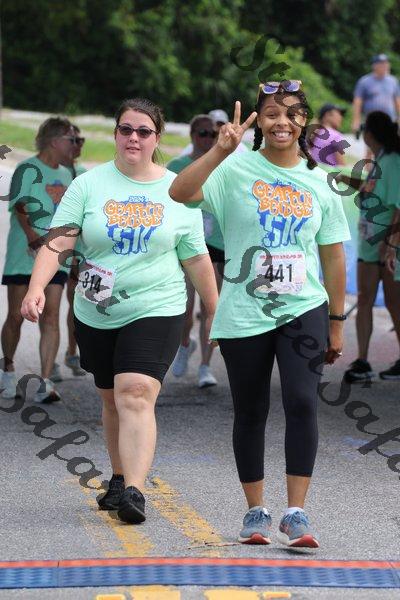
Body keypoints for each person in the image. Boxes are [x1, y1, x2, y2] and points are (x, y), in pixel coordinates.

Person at [170, 80, 350, 548]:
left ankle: (296, 514)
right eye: (271, 113)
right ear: (258, 121)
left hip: (303, 308)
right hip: (245, 310)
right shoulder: (234, 169)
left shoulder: (320, 180)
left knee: (303, 401)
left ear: (304, 121)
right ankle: (256, 511)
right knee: (251, 410)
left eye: (291, 113)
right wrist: (219, 150)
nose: (281, 122)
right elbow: (179, 191)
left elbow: (333, 256)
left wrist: (336, 321)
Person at [20, 98, 218, 525]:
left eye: (144, 131)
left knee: (136, 391)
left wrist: (215, 309)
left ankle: (134, 490)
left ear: (157, 139)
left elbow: (196, 258)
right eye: (126, 129)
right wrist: (36, 288)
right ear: (115, 134)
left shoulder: (177, 189)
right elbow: (59, 241)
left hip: (158, 306)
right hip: (98, 310)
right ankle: (118, 475)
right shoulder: (88, 185)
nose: (133, 138)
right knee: (111, 398)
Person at [0, 117, 74, 403]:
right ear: (54, 141)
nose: (74, 144)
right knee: (17, 315)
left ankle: (45, 382)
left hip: (55, 256)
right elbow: (19, 205)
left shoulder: (67, 174)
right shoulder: (27, 168)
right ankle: (8, 371)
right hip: (25, 255)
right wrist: (32, 236)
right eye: (70, 139)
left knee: (51, 315)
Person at [339, 112, 400, 382]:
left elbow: (398, 206)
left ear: (370, 133)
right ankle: (362, 361)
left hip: (387, 246)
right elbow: (369, 190)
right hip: (369, 244)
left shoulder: (393, 162)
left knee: (394, 303)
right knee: (365, 299)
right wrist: (344, 179)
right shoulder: (378, 161)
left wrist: (391, 244)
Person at [168, 115, 224, 387]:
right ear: (192, 135)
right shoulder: (177, 166)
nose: (208, 139)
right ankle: (183, 344)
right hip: (186, 242)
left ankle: (205, 366)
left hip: (217, 243)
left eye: (213, 134)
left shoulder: (223, 165)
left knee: (211, 307)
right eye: (203, 134)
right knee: (186, 307)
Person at [50, 124, 87, 382]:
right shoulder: (50, 172)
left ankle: (72, 353)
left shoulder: (84, 174)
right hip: (53, 247)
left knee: (77, 304)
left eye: (80, 140)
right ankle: (50, 361)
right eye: (72, 140)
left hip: (79, 251)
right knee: (50, 308)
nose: (77, 145)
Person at [352, 54, 400, 134]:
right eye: (381, 64)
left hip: (390, 120)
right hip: (371, 121)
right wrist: (356, 120)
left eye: (386, 63)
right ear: (374, 66)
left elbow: (397, 101)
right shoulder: (364, 81)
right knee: (373, 141)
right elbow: (358, 102)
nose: (384, 66)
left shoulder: (393, 81)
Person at [180, 109, 248, 157]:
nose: (218, 129)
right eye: (214, 125)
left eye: (221, 124)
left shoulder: (239, 148)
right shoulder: (193, 149)